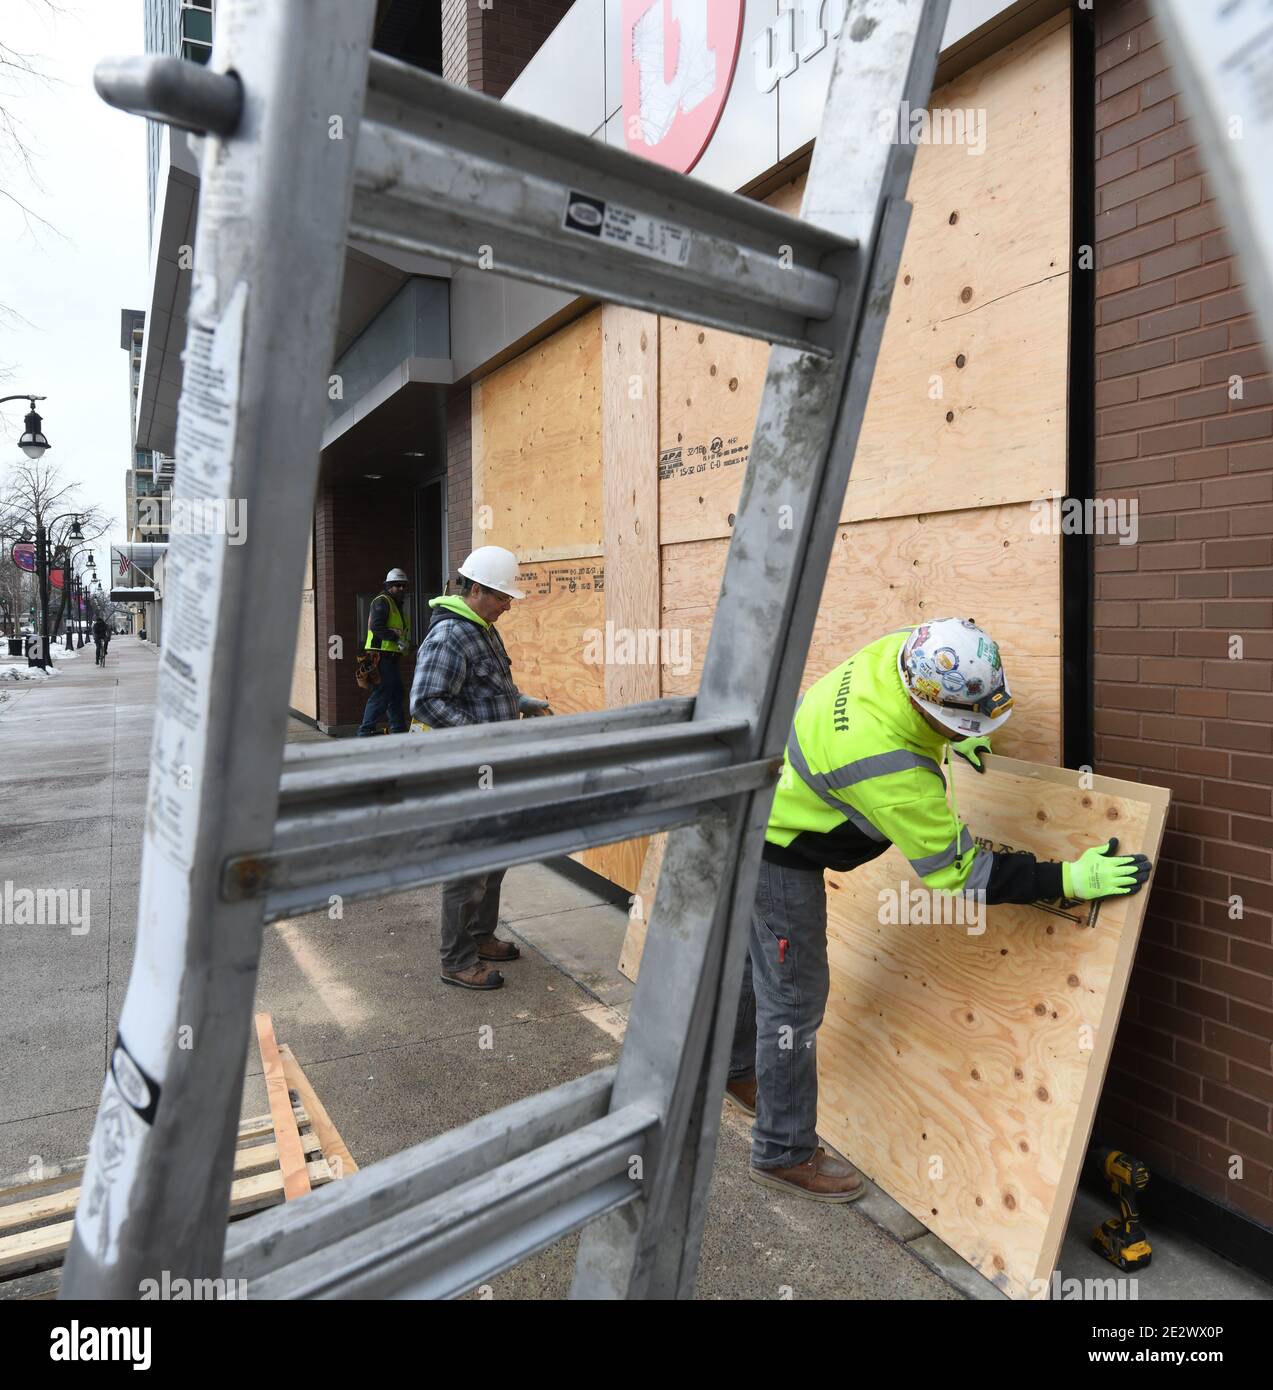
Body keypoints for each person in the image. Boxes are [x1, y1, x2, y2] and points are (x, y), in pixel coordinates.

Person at [726, 618, 1154, 1202]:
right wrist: (1068, 879)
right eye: (958, 725)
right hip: (775, 845)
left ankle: (735, 1069)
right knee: (794, 998)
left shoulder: (914, 647)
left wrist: (954, 736)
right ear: (927, 704)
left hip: (760, 788)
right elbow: (963, 873)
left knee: (764, 961)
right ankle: (782, 1152)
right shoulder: (890, 771)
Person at [410, 545, 554, 991]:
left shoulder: (483, 628)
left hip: (491, 767)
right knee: (469, 865)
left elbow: (489, 688)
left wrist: (522, 702)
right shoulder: (451, 635)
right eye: (501, 596)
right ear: (475, 589)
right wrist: (482, 735)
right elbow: (427, 701)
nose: (508, 604)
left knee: (495, 856)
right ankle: (456, 960)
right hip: (467, 769)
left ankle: (479, 936)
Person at [357, 568, 411, 736]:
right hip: (381, 657)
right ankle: (365, 731)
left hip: (391, 657)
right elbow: (376, 626)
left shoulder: (395, 604)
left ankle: (399, 729)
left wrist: (405, 645)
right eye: (397, 585)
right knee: (381, 693)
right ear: (388, 586)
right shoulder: (382, 601)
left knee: (396, 693)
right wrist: (397, 640)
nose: (401, 589)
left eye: (403, 585)